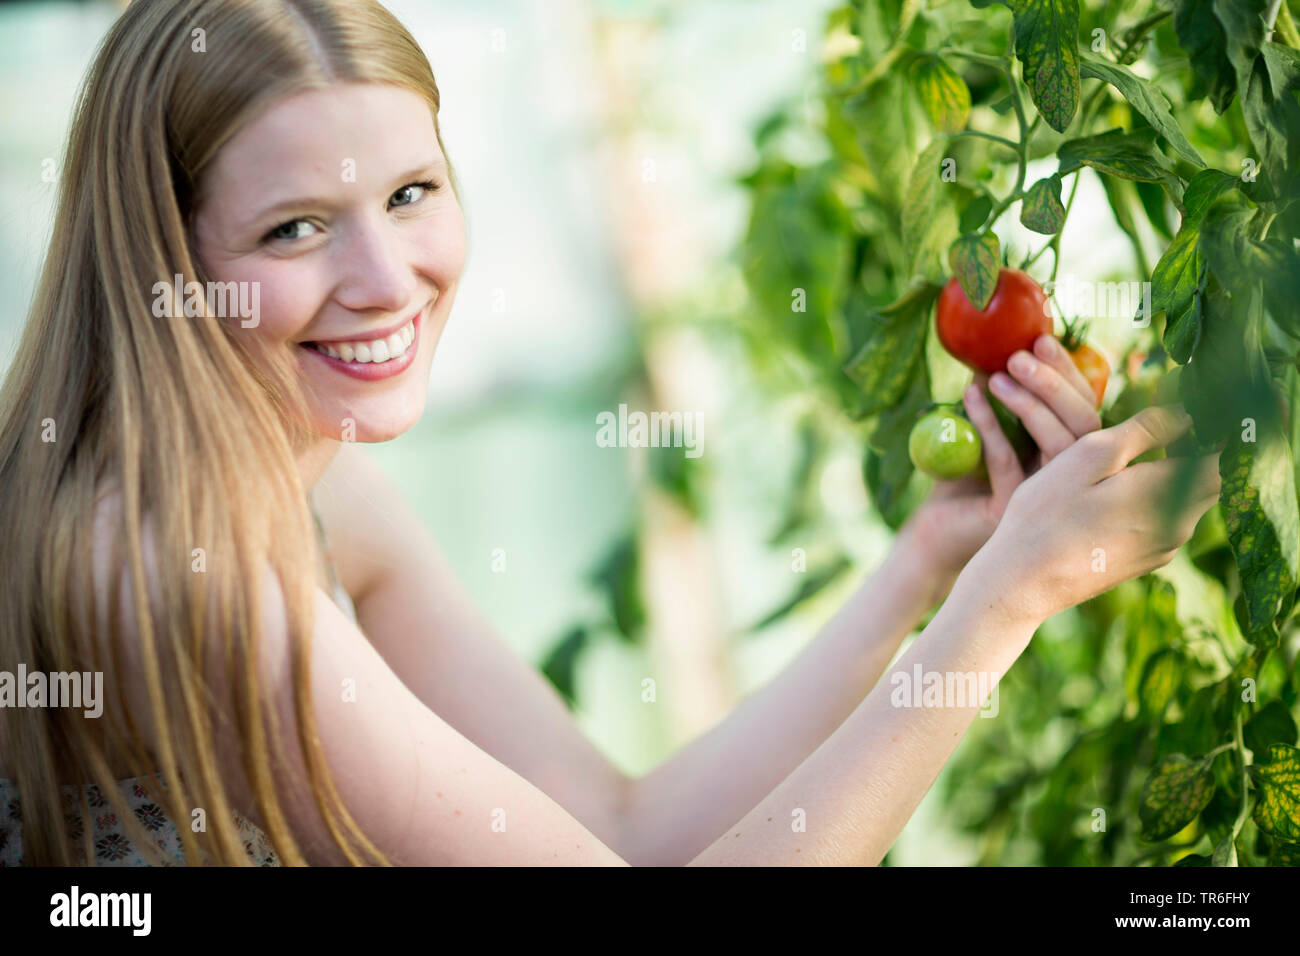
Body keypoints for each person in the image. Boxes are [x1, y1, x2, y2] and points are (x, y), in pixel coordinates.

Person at [0, 0, 1221, 866]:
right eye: (295, 229)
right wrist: (1002, 606)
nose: (387, 277)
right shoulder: (163, 565)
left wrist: (933, 562)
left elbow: (616, 827)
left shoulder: (323, 494)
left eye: (410, 194)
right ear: (166, 259)